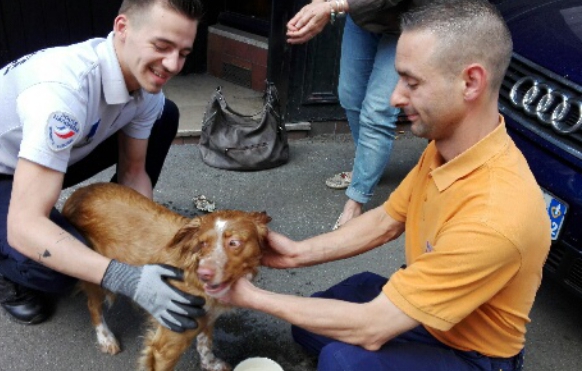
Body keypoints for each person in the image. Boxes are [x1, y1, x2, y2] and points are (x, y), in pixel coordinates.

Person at [221, 1, 550, 370]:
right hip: (428, 317)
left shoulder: (495, 215)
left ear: (470, 82)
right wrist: (297, 253)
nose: (395, 97)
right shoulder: (447, 148)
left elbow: (372, 327)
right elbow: (387, 221)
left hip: (474, 354)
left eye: (412, 82)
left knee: (342, 359)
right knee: (314, 322)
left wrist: (248, 296)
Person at [0, 0, 206, 330]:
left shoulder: (145, 85)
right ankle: (4, 260)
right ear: (122, 28)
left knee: (164, 116)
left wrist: (145, 245)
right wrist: (125, 276)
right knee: (54, 270)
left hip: (52, 155)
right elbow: (24, 227)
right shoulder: (62, 95)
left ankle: (76, 233)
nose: (172, 64)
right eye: (162, 46)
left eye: (183, 53)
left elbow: (133, 172)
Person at [288, 0, 426, 230]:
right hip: (364, 18)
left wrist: (333, 5)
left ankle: (357, 199)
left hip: (410, 20)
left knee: (378, 110)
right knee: (350, 96)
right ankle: (367, 167)